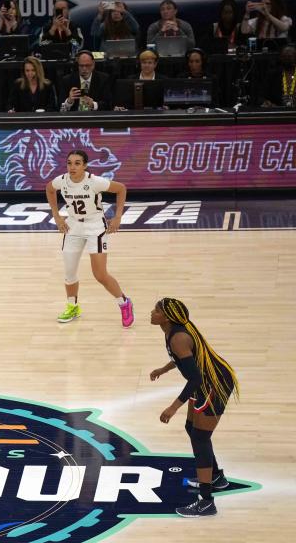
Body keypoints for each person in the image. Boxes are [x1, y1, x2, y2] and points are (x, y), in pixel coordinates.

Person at [150, 298, 239, 517]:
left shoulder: (178, 337)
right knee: (193, 430)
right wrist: (164, 368)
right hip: (207, 381)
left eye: (157, 310)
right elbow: (185, 359)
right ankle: (216, 477)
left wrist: (173, 407)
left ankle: (207, 502)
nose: (152, 313)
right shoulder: (173, 331)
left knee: (200, 437)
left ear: (168, 317)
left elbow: (195, 379)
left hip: (213, 384)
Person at [45, 150, 133, 327]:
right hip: (73, 227)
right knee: (69, 273)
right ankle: (73, 307)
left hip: (95, 227)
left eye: (77, 163)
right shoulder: (62, 181)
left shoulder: (94, 181)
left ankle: (124, 303)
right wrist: (56, 215)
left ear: (85, 165)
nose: (72, 167)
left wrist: (117, 217)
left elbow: (121, 189)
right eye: (69, 163)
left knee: (100, 274)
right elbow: (49, 189)